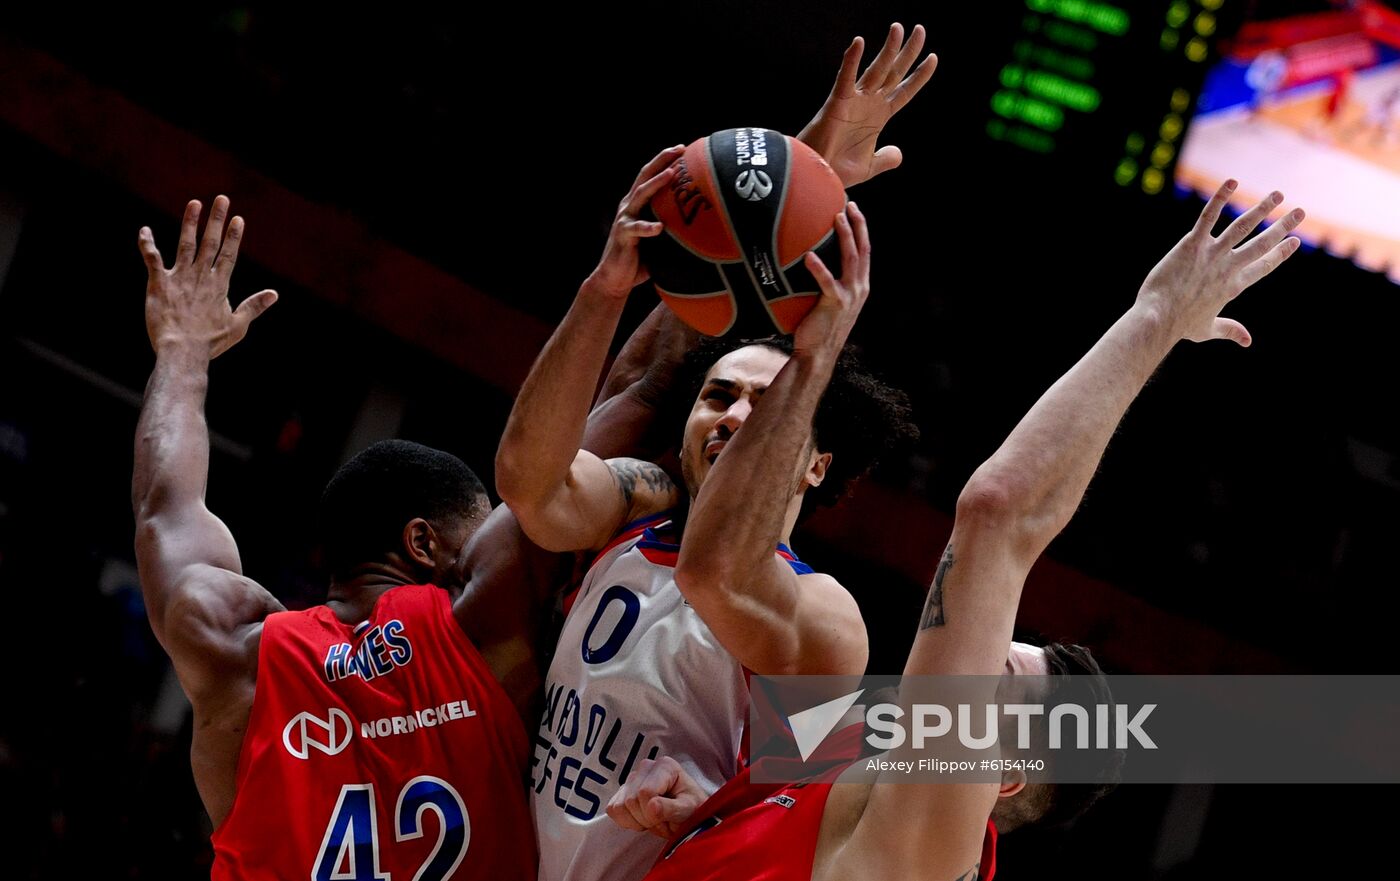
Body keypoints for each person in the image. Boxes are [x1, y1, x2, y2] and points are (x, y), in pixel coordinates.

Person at [606, 181, 1306, 880]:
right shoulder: (823, 784)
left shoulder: (924, 850)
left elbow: (998, 512)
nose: (961, 661)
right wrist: (711, 810)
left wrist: (1155, 316)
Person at [131, 195, 682, 880]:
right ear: (424, 544)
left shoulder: (236, 653)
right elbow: (633, 402)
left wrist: (182, 355)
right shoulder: (481, 624)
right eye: (470, 541)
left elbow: (164, 508)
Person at [496, 25, 933, 881]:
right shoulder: (639, 506)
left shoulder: (825, 615)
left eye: (765, 405)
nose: (733, 413)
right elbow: (532, 484)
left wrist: (814, 358)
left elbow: (794, 820)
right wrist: (606, 288)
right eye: (718, 394)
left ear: (815, 461)